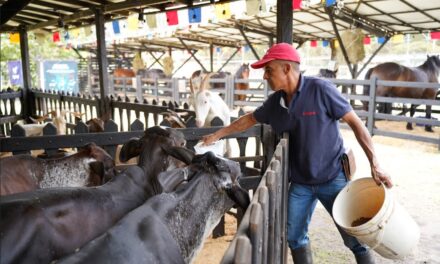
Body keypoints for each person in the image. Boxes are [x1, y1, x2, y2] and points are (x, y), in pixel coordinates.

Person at [202, 42, 393, 264]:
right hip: (301, 183)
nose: (264, 76)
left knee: (354, 238)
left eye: (268, 70)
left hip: (333, 177)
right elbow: (249, 119)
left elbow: (356, 123)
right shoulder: (275, 102)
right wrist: (217, 135)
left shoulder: (321, 89)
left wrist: (375, 163)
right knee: (294, 237)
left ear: (286, 69)